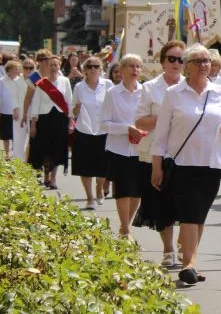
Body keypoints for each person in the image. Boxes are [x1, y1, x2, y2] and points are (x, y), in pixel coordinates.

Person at [150, 44, 221, 285]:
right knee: (189, 214)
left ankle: (191, 261)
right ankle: (189, 264)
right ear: (186, 67)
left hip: (211, 163)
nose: (203, 65)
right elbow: (161, 135)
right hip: (182, 164)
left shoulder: (218, 92)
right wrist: (156, 166)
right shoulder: (173, 94)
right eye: (197, 61)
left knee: (199, 215)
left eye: (206, 61)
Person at [134, 40, 185, 267]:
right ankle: (169, 249)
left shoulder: (192, 87)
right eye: (171, 59)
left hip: (186, 155)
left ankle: (187, 247)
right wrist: (165, 115)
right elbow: (140, 121)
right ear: (163, 62)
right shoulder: (149, 88)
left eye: (181, 59)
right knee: (163, 205)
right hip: (157, 155)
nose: (176, 63)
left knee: (186, 205)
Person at [102, 54, 146, 238]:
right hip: (118, 148)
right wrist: (126, 129)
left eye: (138, 66)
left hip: (141, 148)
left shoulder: (145, 92)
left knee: (137, 191)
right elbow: (103, 124)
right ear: (121, 70)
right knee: (123, 189)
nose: (135, 70)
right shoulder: (112, 93)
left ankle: (124, 226)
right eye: (131, 66)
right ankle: (125, 229)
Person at [71, 57, 112, 209]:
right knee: (85, 166)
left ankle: (99, 189)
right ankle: (89, 197)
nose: (93, 69)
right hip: (84, 129)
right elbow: (73, 110)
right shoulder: (79, 87)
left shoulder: (107, 85)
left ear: (101, 69)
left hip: (103, 130)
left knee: (103, 165)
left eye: (97, 66)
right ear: (85, 70)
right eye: (90, 66)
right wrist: (77, 109)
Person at [29, 55, 75, 187]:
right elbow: (35, 102)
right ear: (47, 67)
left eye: (56, 65)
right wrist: (33, 124)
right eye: (51, 65)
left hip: (60, 118)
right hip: (44, 118)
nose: (54, 67)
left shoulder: (64, 80)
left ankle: (54, 178)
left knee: (57, 148)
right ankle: (46, 175)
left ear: (59, 66)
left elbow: (69, 100)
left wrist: (71, 120)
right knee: (44, 148)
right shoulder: (41, 82)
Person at [5, 60, 30, 162]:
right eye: (26, 68)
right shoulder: (17, 81)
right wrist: (15, 110)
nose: (28, 70)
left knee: (32, 138)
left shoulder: (36, 79)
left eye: (31, 68)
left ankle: (30, 159)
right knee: (19, 136)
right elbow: (14, 96)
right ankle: (19, 160)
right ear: (22, 69)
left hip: (33, 111)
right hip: (20, 110)